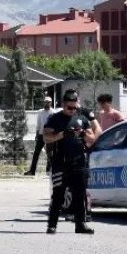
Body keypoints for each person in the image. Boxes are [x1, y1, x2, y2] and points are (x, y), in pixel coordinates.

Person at [42, 89, 98, 235]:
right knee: (58, 195)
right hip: (61, 162)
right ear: (63, 105)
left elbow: (92, 139)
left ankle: (80, 224)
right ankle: (52, 225)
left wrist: (84, 133)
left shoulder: (82, 119)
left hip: (79, 162)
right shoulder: (55, 118)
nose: (72, 110)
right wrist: (63, 134)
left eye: (75, 107)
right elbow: (47, 137)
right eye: (69, 107)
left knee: (80, 195)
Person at [25, 96, 55, 176]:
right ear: (44, 102)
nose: (47, 103)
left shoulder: (53, 112)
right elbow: (38, 124)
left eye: (48, 102)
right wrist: (36, 134)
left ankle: (50, 170)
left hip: (49, 136)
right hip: (41, 135)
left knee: (50, 154)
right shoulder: (40, 112)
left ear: (50, 103)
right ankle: (32, 171)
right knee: (36, 153)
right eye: (46, 102)